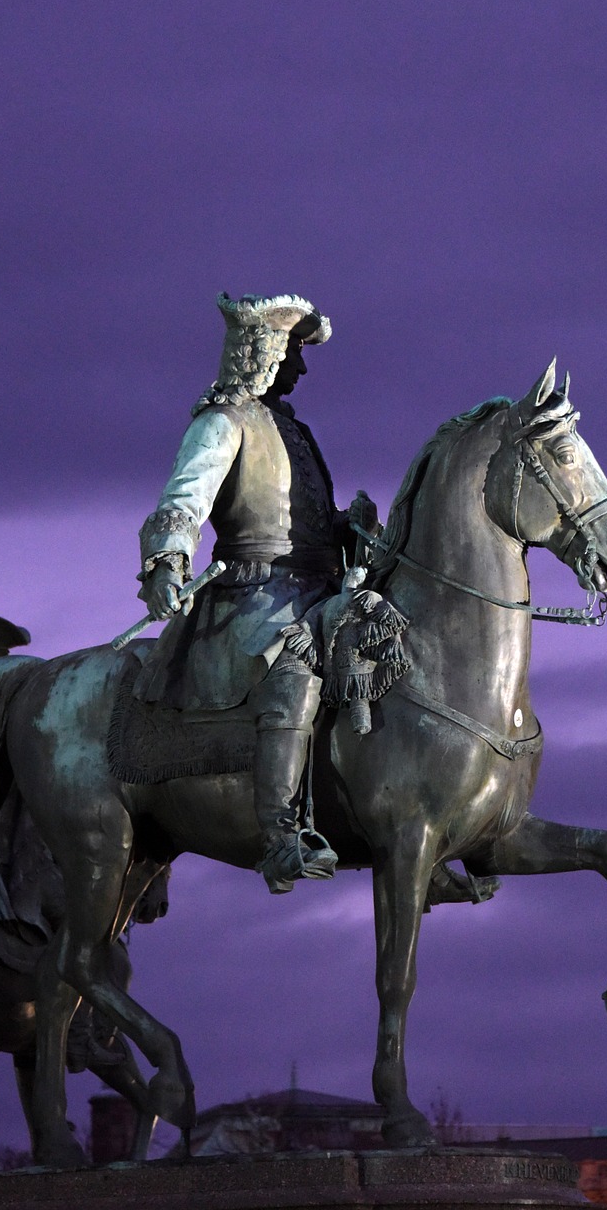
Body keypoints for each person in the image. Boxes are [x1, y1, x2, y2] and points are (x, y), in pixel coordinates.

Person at [135, 293, 377, 894]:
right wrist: (166, 564)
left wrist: (353, 528)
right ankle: (280, 835)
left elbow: (308, 523)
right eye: (294, 351)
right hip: (252, 599)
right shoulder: (222, 421)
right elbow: (184, 498)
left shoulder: (294, 429)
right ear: (264, 353)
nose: (301, 366)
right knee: (297, 666)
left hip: (315, 590)